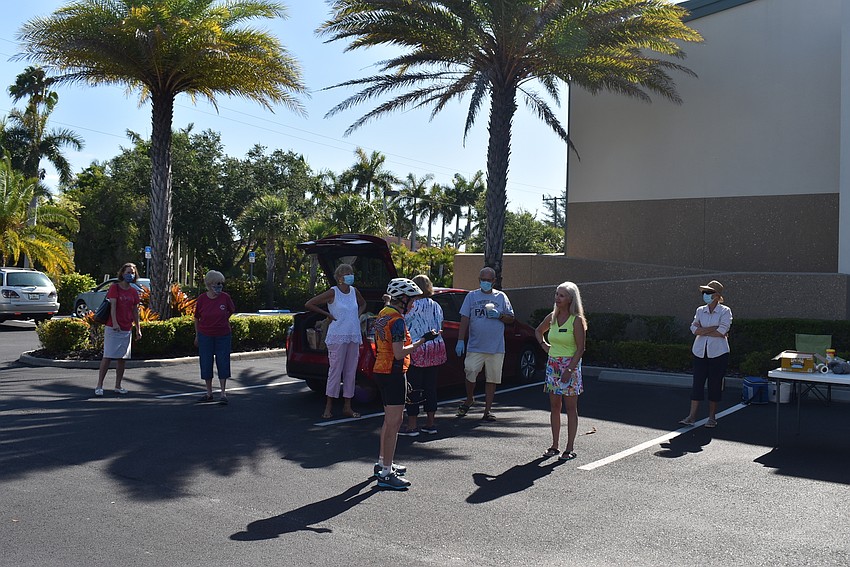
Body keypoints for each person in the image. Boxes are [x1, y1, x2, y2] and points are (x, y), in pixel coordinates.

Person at [372, 278, 439, 490]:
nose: (413, 304)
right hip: (393, 373)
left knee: (388, 421)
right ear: (402, 298)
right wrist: (422, 340)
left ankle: (383, 462)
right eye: (411, 300)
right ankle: (386, 473)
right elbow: (400, 352)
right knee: (395, 423)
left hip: (381, 370)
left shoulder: (384, 313)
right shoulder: (398, 321)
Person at [305, 263, 366, 419]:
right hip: (338, 336)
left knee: (351, 371)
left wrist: (357, 315)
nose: (350, 275)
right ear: (339, 277)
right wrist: (328, 315)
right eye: (346, 273)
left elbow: (363, 303)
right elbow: (309, 303)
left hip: (353, 334)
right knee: (335, 371)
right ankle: (328, 407)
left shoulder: (354, 291)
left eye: (351, 272)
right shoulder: (333, 292)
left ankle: (347, 406)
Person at [535, 282, 587, 461]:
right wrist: (544, 346)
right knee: (555, 406)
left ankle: (569, 448)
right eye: (557, 294)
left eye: (562, 295)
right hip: (553, 366)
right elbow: (538, 331)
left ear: (571, 299)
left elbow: (580, 349)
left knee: (571, 408)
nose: (557, 298)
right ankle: (554, 445)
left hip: (570, 366)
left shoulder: (576, 320)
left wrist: (569, 369)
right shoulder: (552, 317)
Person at [455, 266, 515, 421]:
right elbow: (465, 318)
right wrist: (460, 340)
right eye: (483, 280)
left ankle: (487, 410)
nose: (485, 282)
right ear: (479, 280)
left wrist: (499, 315)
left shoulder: (501, 297)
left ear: (494, 281)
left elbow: (511, 318)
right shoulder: (472, 296)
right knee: (470, 371)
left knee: (492, 379)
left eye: (488, 280)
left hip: (496, 347)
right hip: (475, 345)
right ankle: (470, 398)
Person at [680, 280, 732, 428]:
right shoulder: (700, 310)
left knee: (715, 385)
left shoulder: (725, 311)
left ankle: (712, 417)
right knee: (697, 384)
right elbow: (693, 329)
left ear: (716, 295)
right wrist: (712, 328)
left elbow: (722, 331)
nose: (705, 295)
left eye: (708, 292)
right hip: (699, 352)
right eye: (704, 292)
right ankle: (691, 416)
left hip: (718, 354)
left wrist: (703, 330)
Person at [399, 274, 446, 436]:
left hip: (417, 348)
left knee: (413, 388)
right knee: (430, 388)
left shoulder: (412, 306)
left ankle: (412, 425)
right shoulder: (436, 305)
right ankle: (430, 423)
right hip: (435, 349)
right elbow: (440, 324)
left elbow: (402, 322)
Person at [95, 263, 142, 396]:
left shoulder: (133, 291)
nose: (130, 275)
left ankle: (118, 385)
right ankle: (99, 385)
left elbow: (135, 311)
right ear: (122, 273)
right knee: (108, 356)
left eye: (132, 273)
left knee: (122, 358)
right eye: (128, 272)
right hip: (113, 327)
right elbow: (113, 307)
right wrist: (115, 323)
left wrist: (138, 328)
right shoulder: (114, 288)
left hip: (127, 328)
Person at [194, 270, 236, 404]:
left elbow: (231, 310)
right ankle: (209, 393)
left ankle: (223, 393)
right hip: (205, 335)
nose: (219, 286)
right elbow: (197, 317)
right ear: (209, 283)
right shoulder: (202, 299)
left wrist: (223, 320)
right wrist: (197, 335)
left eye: (221, 284)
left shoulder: (225, 297)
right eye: (217, 283)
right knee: (206, 362)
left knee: (223, 361)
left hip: (223, 335)